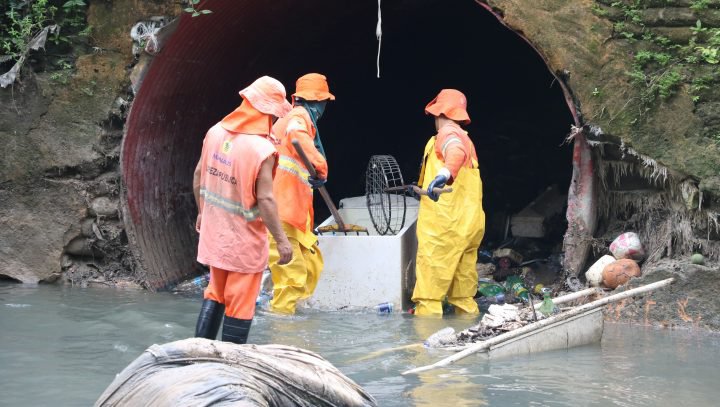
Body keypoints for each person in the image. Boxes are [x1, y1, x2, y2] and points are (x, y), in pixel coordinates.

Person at [193, 76, 294, 344]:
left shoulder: (215, 132)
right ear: (269, 112)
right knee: (240, 301)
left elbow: (198, 176)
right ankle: (230, 366)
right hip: (244, 242)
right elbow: (266, 200)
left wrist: (202, 212)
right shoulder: (262, 149)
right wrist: (282, 242)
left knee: (215, 292)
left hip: (215, 234)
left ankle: (198, 352)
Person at [411, 89, 486, 317]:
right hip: (469, 226)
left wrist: (443, 175)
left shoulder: (448, 133)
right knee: (463, 296)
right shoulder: (467, 139)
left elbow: (454, 152)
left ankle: (426, 349)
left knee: (429, 298)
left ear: (439, 113)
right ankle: (469, 339)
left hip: (443, 228)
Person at [267, 73, 335, 314]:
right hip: (281, 213)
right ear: (317, 101)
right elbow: (297, 136)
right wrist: (320, 167)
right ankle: (285, 331)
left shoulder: (292, 118)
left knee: (312, 264)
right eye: (324, 101)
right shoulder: (298, 117)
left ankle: (296, 316)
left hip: (294, 213)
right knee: (291, 278)